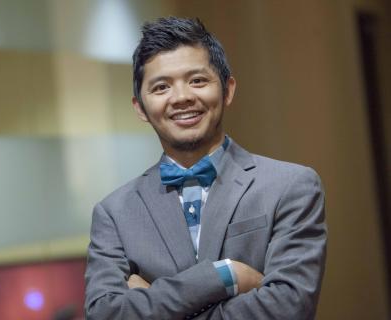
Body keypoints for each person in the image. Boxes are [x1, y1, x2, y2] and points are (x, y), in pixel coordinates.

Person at [84, 17, 326, 320]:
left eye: (197, 80)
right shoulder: (114, 214)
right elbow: (106, 315)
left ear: (227, 90)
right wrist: (224, 275)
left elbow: (288, 308)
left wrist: (151, 303)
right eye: (161, 87)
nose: (182, 97)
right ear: (140, 108)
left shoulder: (291, 186)